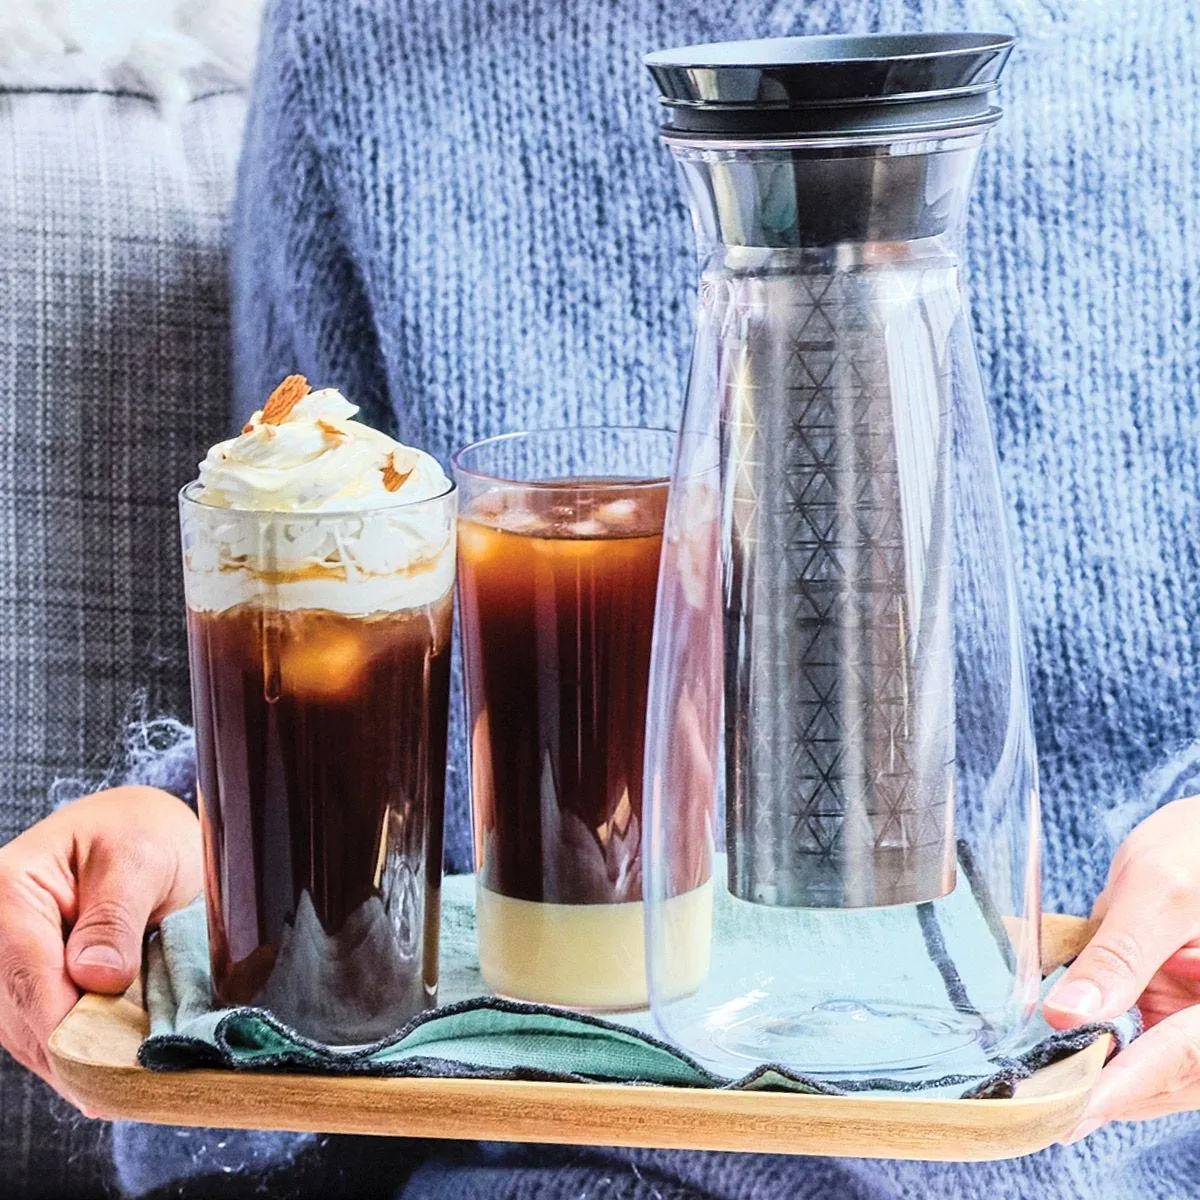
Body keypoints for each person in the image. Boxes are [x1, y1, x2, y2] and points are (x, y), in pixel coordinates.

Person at [2, 0, 1199, 1195]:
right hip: (594, 1151)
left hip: (1103, 1124)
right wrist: (196, 842)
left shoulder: (1168, 55)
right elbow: (325, 589)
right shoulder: (362, 46)